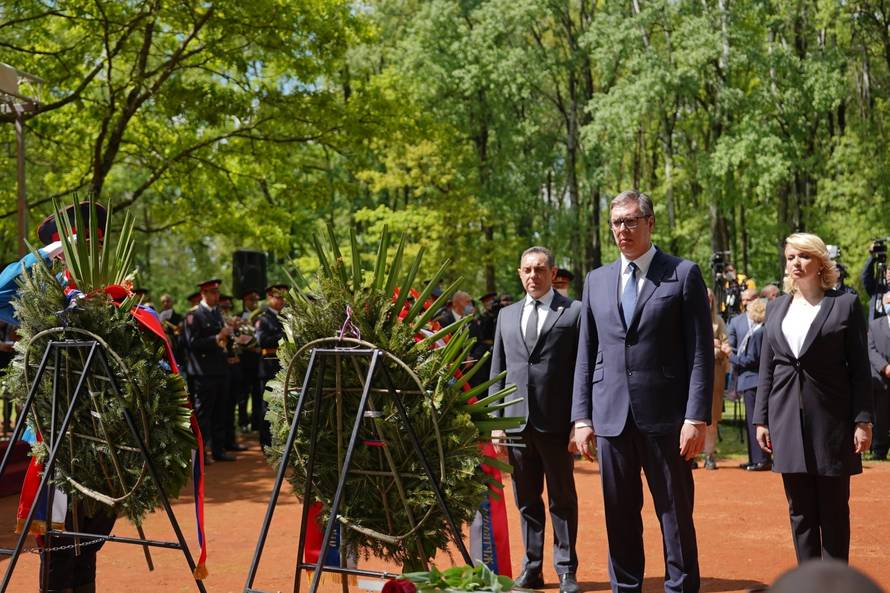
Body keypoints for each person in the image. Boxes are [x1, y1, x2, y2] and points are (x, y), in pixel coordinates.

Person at [571, 189, 713, 593]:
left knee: (674, 514)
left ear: (650, 223)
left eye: (632, 221)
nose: (623, 230)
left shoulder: (682, 273)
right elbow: (586, 354)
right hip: (611, 418)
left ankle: (681, 587)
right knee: (619, 515)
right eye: (617, 222)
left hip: (667, 419)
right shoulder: (596, 280)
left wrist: (695, 416)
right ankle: (626, 588)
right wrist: (581, 417)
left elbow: (701, 352)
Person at [753, 232, 873, 563]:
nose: (796, 263)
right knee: (800, 513)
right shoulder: (777, 308)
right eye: (791, 257)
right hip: (785, 420)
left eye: (804, 256)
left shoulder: (844, 304)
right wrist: (761, 418)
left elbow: (860, 370)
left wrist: (862, 420)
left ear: (821, 262)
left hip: (832, 423)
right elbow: (768, 367)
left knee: (834, 512)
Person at [488, 246, 582, 593]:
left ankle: (566, 571)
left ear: (552, 272)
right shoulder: (506, 316)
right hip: (515, 425)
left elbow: (581, 370)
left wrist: (580, 420)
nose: (533, 275)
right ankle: (532, 568)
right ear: (519, 272)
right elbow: (497, 370)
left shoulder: (574, 312)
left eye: (540, 269)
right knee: (526, 501)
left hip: (557, 425)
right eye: (527, 270)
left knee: (562, 500)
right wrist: (495, 422)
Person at [184, 278, 236, 464]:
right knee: (204, 413)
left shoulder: (217, 314)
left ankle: (218, 449)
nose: (217, 296)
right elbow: (192, 343)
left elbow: (223, 340)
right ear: (204, 294)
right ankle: (200, 451)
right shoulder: (194, 315)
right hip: (203, 372)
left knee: (220, 411)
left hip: (221, 369)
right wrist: (217, 337)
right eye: (213, 293)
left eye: (217, 293)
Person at [729, 297, 770, 470]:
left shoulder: (758, 333)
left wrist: (729, 355)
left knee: (755, 422)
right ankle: (755, 458)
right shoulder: (761, 331)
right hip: (753, 381)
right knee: (753, 421)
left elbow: (749, 360)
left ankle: (761, 459)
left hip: (752, 381)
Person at [256, 283, 289, 448]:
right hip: (269, 367)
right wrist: (285, 334)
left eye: (284, 297)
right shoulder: (263, 319)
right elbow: (262, 340)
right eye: (278, 297)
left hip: (284, 367)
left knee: (283, 406)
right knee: (268, 406)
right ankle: (267, 442)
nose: (282, 300)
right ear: (269, 298)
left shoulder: (287, 316)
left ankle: (280, 441)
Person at [702, 288, 730, 470]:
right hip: (690, 375)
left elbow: (726, 346)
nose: (708, 301)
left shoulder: (717, 321)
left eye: (711, 298)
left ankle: (709, 454)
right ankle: (688, 456)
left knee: (711, 418)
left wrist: (717, 349)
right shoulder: (686, 316)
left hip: (713, 373)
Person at [867, 292, 890, 460]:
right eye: (888, 301)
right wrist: (885, 367)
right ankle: (879, 451)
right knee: (880, 418)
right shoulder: (874, 325)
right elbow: (870, 349)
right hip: (881, 380)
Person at [860, 240, 890, 321]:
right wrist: (872, 257)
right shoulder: (876, 288)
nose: (888, 274)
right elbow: (865, 277)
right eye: (888, 271)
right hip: (876, 329)